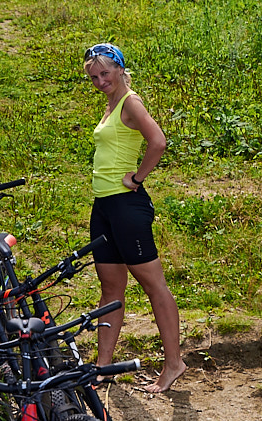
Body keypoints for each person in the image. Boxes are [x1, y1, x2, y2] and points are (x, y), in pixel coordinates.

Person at [83, 43, 186, 393]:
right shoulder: (112, 104)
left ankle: (174, 364)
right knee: (110, 288)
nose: (99, 81)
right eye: (94, 76)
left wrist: (137, 178)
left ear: (120, 69)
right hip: (105, 207)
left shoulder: (131, 103)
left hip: (127, 207)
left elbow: (158, 141)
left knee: (153, 284)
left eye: (105, 73)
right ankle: (103, 367)